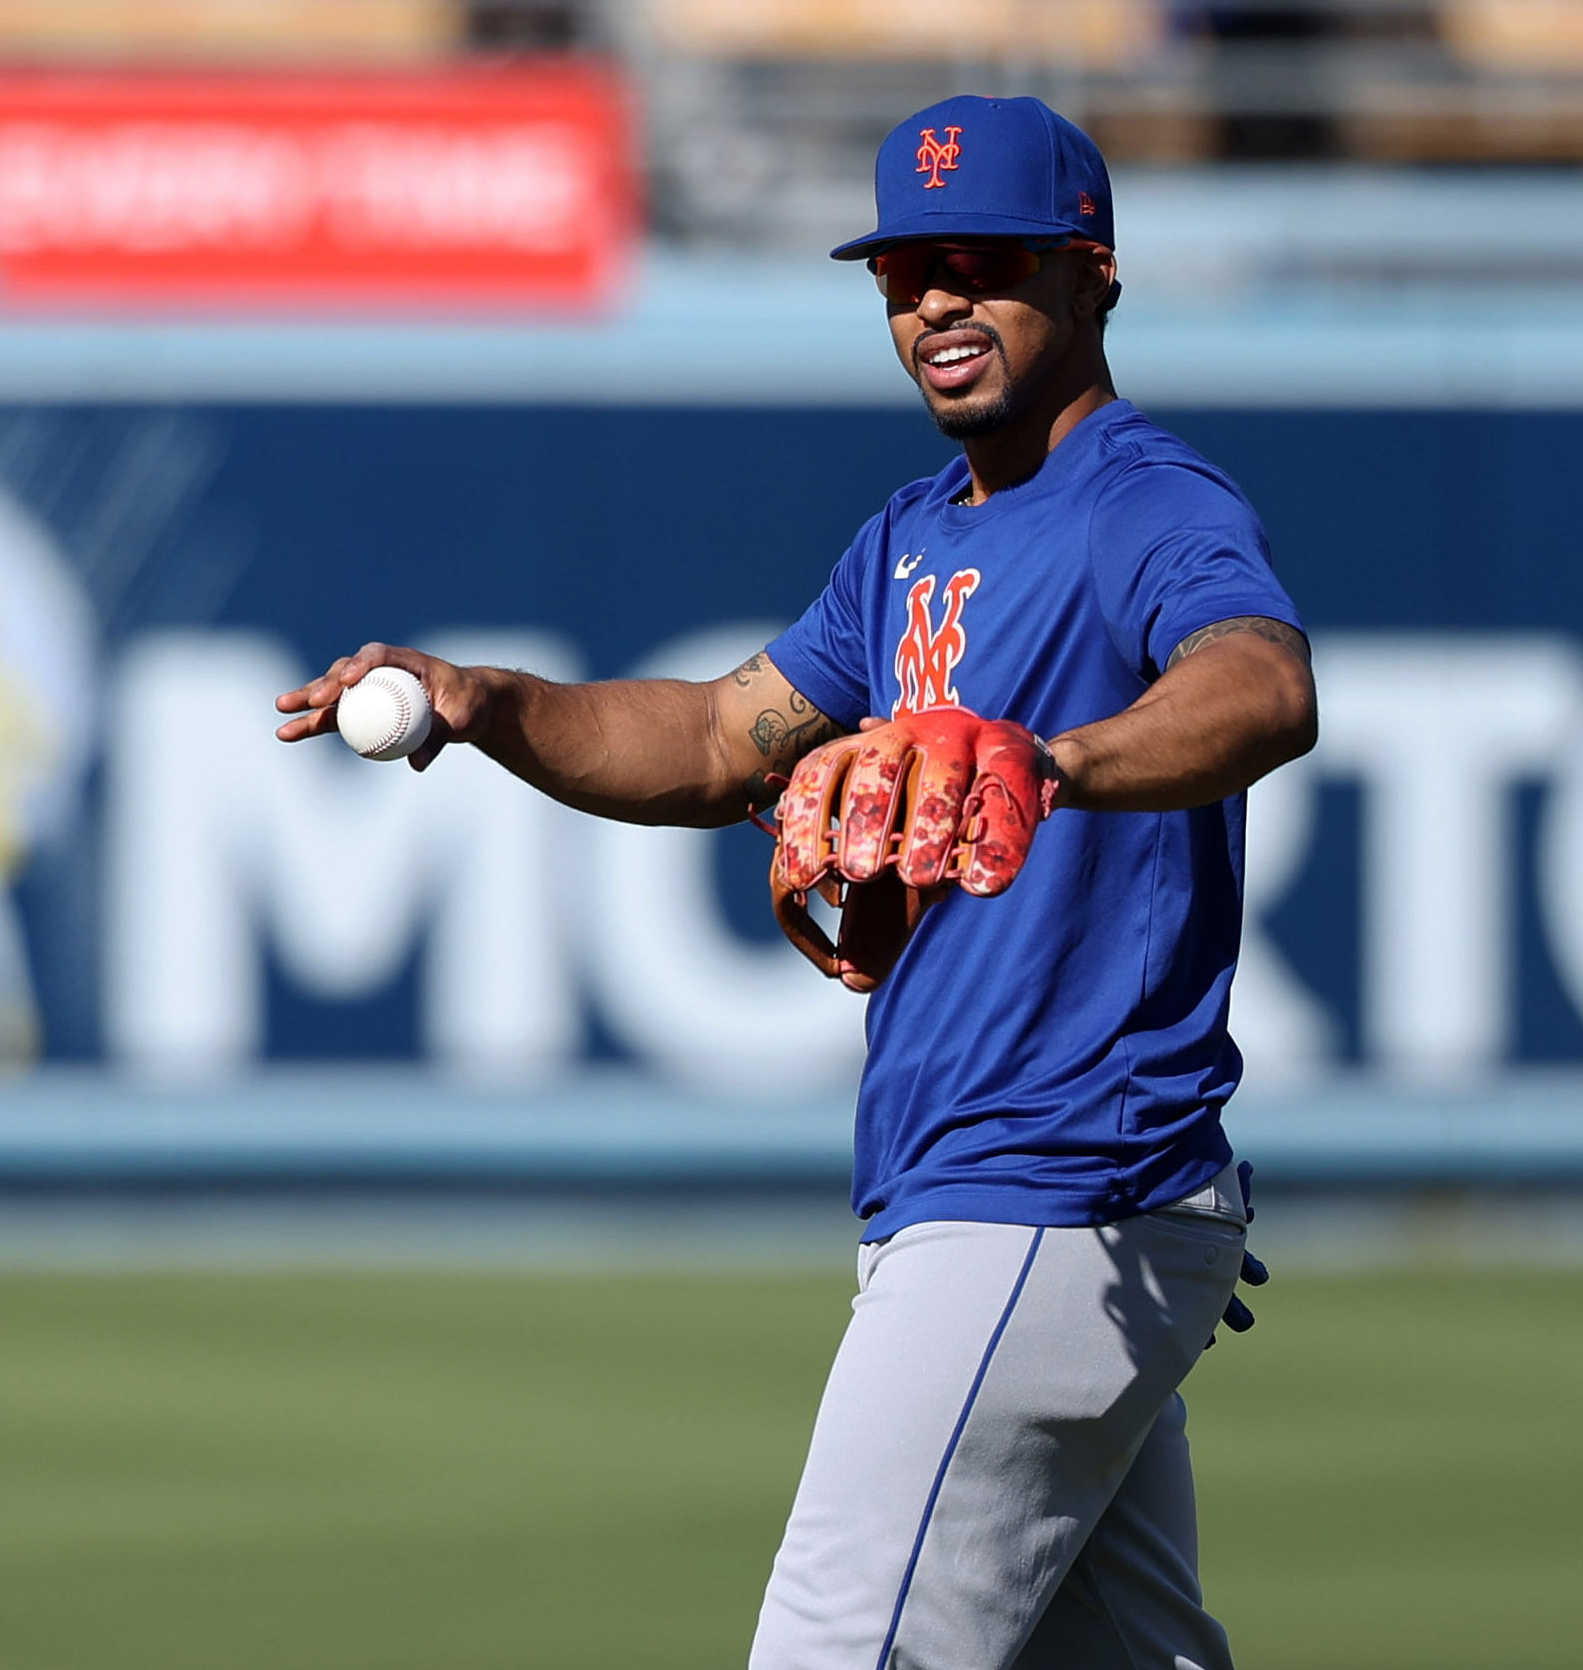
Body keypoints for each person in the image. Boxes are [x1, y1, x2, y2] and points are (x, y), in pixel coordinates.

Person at [275, 94, 1317, 1669]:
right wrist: (493, 704)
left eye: (984, 262)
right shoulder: (907, 540)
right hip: (1021, 1198)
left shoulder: (1146, 502)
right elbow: (708, 738)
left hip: (1040, 1187)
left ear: (1092, 271)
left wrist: (1060, 757)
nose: (937, 303)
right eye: (904, 272)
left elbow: (1261, 687)